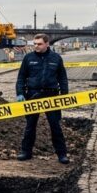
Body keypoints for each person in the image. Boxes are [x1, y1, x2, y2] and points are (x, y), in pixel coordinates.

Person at [15, 33, 69, 164]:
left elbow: (62, 78)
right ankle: (26, 152)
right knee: (30, 126)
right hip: (33, 95)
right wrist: (20, 93)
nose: (36, 46)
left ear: (47, 44)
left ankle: (62, 154)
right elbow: (21, 77)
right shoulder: (28, 58)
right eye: (34, 44)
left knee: (55, 126)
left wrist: (65, 94)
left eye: (39, 44)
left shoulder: (56, 58)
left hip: (51, 95)